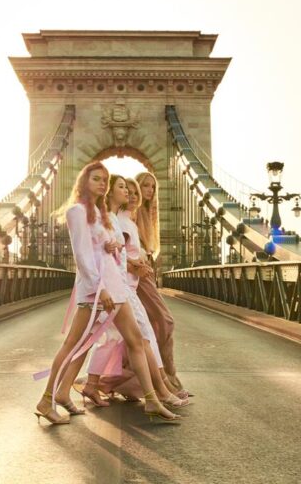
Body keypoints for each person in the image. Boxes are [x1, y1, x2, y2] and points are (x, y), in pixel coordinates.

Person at [33, 162, 179, 424]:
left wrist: (111, 246)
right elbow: (82, 255)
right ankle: (46, 400)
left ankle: (152, 400)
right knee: (73, 345)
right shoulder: (77, 211)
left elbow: (104, 249)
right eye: (96, 179)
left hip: (116, 287)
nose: (102, 183)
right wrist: (98, 290)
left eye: (104, 179)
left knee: (136, 340)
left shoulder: (102, 214)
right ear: (84, 182)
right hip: (96, 291)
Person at [69, 175, 188, 407]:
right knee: (141, 336)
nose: (132, 194)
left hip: (121, 287)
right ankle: (162, 389)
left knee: (111, 338)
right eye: (124, 188)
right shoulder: (111, 220)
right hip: (117, 288)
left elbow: (114, 253)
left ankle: (94, 385)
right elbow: (93, 255)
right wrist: (130, 265)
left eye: (134, 190)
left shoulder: (118, 219)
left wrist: (126, 258)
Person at [135, 171, 187, 393]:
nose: (149, 190)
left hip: (146, 273)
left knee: (148, 327)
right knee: (165, 321)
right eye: (145, 185)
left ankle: (152, 382)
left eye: (153, 187)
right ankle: (169, 375)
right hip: (139, 276)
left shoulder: (147, 215)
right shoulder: (132, 213)